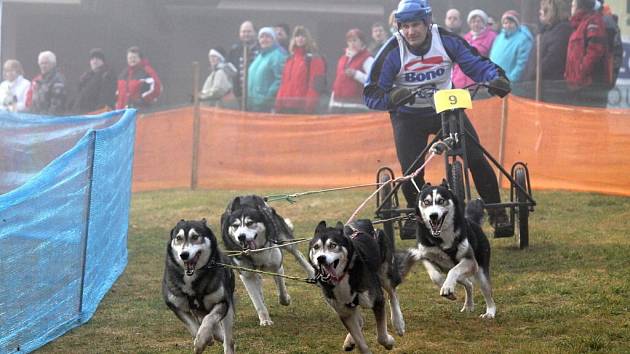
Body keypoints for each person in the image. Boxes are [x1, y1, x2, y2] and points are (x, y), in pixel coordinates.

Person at [363, 0, 512, 238]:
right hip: (408, 117)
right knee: (411, 170)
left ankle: (497, 213)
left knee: (475, 157)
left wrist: (496, 79)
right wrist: (392, 98)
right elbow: (371, 93)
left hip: (447, 110)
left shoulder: (446, 39)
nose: (410, 31)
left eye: (415, 25)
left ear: (427, 22)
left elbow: (475, 64)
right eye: (405, 26)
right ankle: (417, 215)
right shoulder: (393, 50)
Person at [522, 0, 573, 102]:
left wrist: (533, 74)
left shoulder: (562, 31)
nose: (540, 12)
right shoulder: (545, 31)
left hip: (550, 90)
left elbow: (553, 60)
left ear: (553, 11)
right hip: (533, 86)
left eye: (544, 9)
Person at [564, 0, 610, 107]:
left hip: (589, 89)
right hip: (576, 87)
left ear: (580, 6)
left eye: (573, 5)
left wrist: (580, 73)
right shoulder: (577, 26)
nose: (571, 8)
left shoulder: (594, 22)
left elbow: (595, 52)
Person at [274, 26, 327, 114]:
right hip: (286, 107)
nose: (300, 38)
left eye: (303, 36)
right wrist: (278, 105)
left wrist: (308, 108)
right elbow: (283, 84)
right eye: (297, 36)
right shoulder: (290, 59)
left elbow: (315, 87)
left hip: (302, 109)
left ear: (308, 39)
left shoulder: (314, 59)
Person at [329, 29, 374, 113]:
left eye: (355, 40)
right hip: (337, 104)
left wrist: (356, 74)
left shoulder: (368, 59)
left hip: (356, 106)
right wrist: (331, 103)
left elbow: (373, 81)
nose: (352, 43)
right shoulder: (343, 58)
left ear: (362, 42)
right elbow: (337, 81)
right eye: (349, 41)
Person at [452, 9, 497, 89]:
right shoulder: (466, 37)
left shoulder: (491, 36)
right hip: (459, 80)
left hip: (477, 82)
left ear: (484, 22)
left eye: (478, 21)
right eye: (473, 22)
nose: (475, 24)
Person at [247, 27, 287, 112]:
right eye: (261, 37)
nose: (264, 39)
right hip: (254, 104)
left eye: (267, 36)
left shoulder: (278, 55)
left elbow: (280, 80)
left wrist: (267, 98)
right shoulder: (260, 56)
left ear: (274, 39)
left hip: (267, 106)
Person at [489, 10, 534, 82]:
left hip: (510, 83)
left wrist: (511, 79)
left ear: (517, 24)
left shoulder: (523, 39)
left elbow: (522, 63)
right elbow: (492, 56)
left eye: (511, 22)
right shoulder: (499, 37)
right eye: (505, 23)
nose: (508, 25)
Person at [71, 48, 117, 114]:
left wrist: (97, 113)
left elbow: (105, 98)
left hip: (97, 115)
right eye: (92, 59)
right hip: (83, 114)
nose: (94, 61)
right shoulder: (85, 76)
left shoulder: (107, 75)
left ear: (102, 61)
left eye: (97, 59)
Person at [228, 21, 260, 108]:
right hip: (239, 96)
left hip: (258, 97)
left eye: (249, 31)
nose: (246, 34)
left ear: (255, 33)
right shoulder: (234, 50)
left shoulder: (262, 50)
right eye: (243, 31)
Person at [26, 51, 67, 115]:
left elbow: (56, 105)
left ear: (53, 64)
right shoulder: (38, 80)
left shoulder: (58, 80)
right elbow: (34, 103)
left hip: (51, 120)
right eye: (41, 63)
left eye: (46, 63)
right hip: (37, 118)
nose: (43, 66)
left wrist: (47, 119)